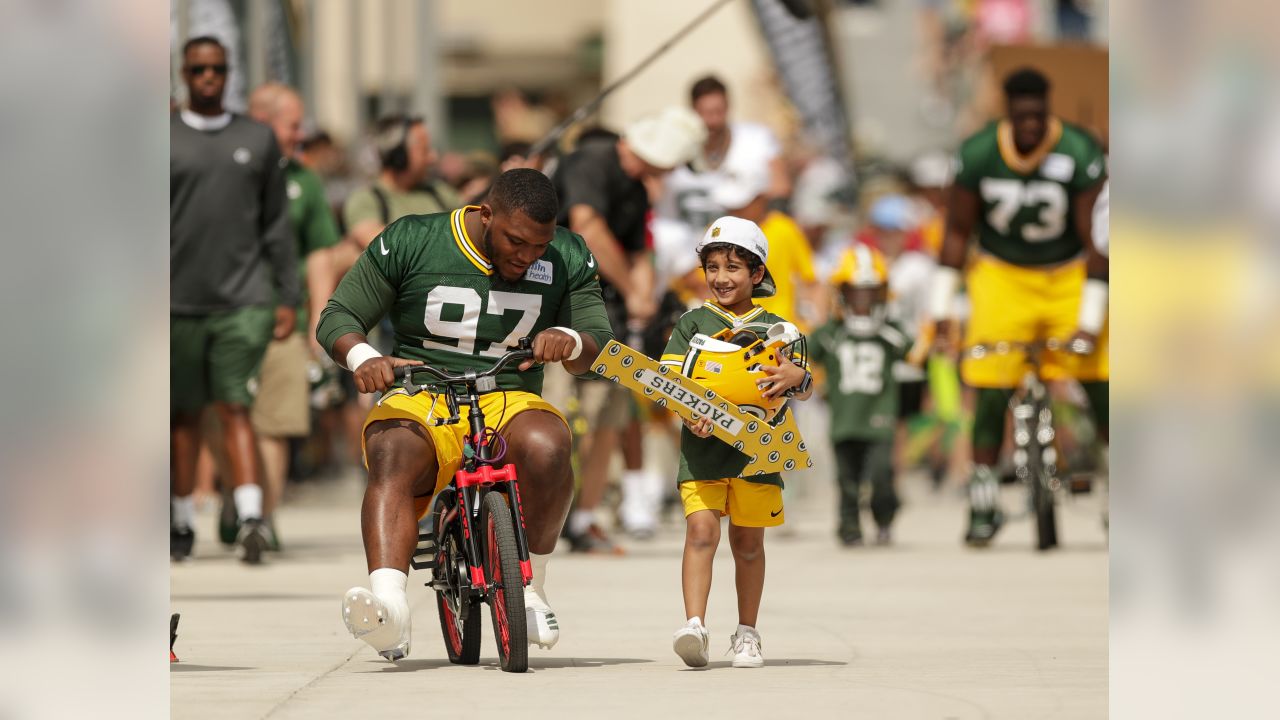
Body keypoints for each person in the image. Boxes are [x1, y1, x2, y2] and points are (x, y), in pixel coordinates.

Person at [316, 169, 613, 661]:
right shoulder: (412, 238)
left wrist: (574, 340)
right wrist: (364, 358)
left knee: (550, 444)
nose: (528, 255)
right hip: (422, 388)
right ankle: (389, 606)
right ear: (485, 214)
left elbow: (595, 337)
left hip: (508, 394)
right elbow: (338, 317)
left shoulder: (568, 252)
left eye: (539, 246)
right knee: (393, 449)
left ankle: (532, 587)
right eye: (516, 240)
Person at [929, 67, 1108, 546]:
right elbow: (957, 233)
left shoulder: (1079, 151)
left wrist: (1089, 321)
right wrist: (941, 309)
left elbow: (1099, 242)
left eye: (1038, 114)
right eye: (1021, 114)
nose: (1030, 125)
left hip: (1067, 273)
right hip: (1001, 275)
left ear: (1048, 108)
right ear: (1007, 112)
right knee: (989, 384)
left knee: (1103, 379)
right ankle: (984, 500)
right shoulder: (978, 152)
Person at [662, 217, 813, 669]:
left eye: (732, 268)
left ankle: (748, 633)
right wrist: (689, 411)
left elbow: (803, 384)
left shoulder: (781, 329)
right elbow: (669, 379)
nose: (721, 278)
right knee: (701, 532)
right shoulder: (692, 322)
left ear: (757, 274)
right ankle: (694, 625)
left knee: (748, 543)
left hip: (757, 455)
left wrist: (797, 376)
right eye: (712, 267)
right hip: (701, 450)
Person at [551, 108, 705, 549]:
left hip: (609, 320)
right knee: (554, 415)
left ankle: (583, 519)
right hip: (560, 313)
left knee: (608, 417)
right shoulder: (592, 160)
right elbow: (587, 227)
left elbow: (639, 251)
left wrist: (642, 293)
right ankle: (533, 517)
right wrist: (630, 287)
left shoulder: (638, 191)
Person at [171, 36, 298, 564]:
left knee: (235, 407)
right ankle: (179, 521)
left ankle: (250, 518)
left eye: (217, 69)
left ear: (228, 74)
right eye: (199, 69)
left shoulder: (258, 139)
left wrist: (286, 293)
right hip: (174, 302)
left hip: (243, 300)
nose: (208, 77)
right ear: (184, 72)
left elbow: (276, 224)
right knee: (181, 416)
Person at [246, 82, 342, 549]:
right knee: (220, 416)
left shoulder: (305, 181)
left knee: (276, 419)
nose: (300, 135)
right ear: (262, 121)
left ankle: (262, 519)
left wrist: (318, 324)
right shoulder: (227, 170)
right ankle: (239, 499)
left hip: (282, 316)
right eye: (292, 125)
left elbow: (321, 253)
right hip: (223, 311)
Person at [808, 245, 909, 546]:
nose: (863, 300)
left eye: (870, 291)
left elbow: (917, 353)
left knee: (881, 474)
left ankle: (884, 517)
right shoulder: (831, 332)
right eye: (856, 292)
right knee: (846, 479)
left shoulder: (891, 332)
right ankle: (849, 525)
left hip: (879, 414)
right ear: (843, 293)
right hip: (844, 418)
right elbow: (803, 354)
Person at [334, 114, 460, 273]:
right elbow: (384, 247)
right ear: (399, 155)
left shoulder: (440, 192)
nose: (433, 157)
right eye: (424, 150)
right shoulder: (367, 199)